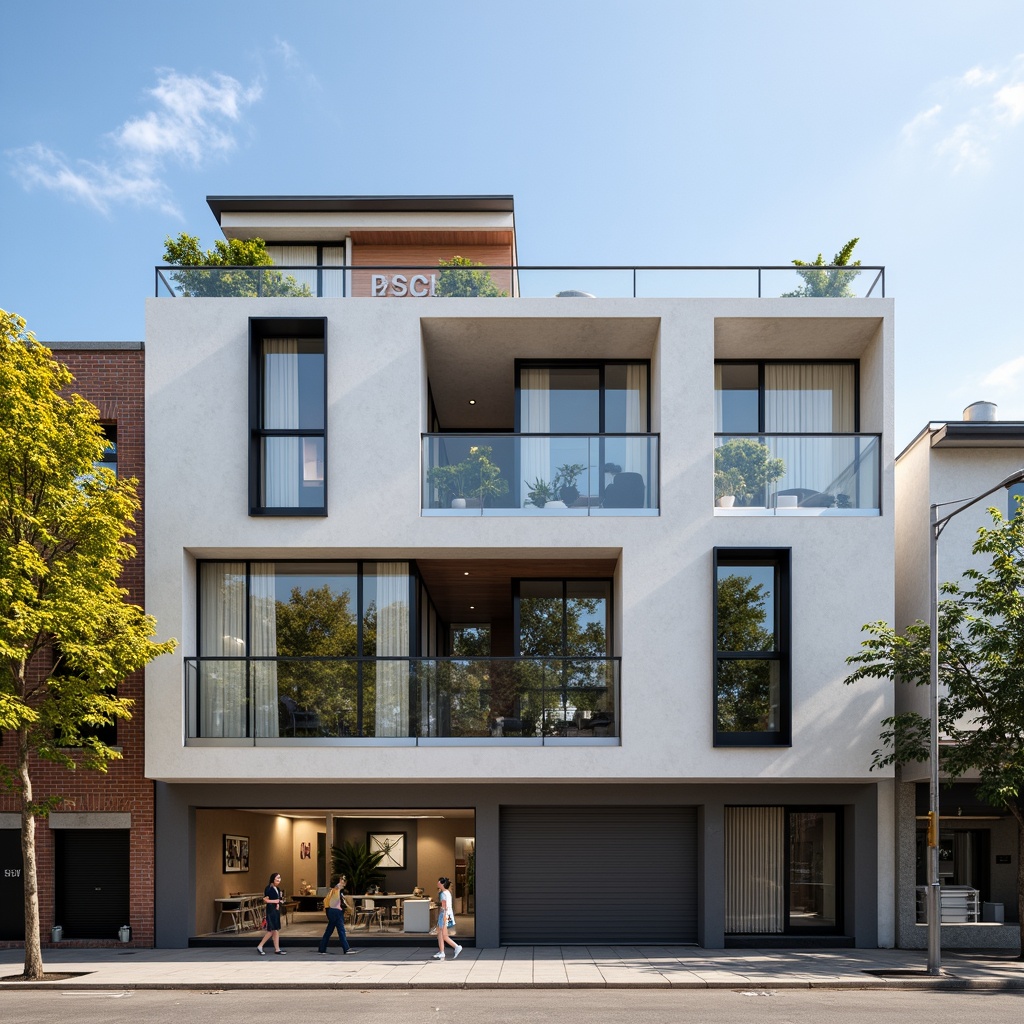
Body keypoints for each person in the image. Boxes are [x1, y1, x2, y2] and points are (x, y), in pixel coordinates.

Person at [319, 873, 360, 955]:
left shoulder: (335, 891)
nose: (343, 882)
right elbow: (340, 884)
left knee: (329, 931)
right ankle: (346, 948)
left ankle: (322, 949)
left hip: (333, 911)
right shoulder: (336, 889)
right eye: (341, 880)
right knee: (341, 930)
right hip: (336, 912)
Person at [432, 876, 462, 960]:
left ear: (442, 884)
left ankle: (456, 947)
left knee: (443, 935)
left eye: (439, 882)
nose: (437, 883)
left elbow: (444, 906)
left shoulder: (443, 894)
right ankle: (441, 951)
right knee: (440, 933)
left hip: (444, 915)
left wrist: (443, 917)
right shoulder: (447, 892)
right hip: (446, 914)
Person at [256, 872, 287, 955]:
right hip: (270, 910)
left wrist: (279, 902)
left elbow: (278, 899)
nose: (279, 880)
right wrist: (275, 901)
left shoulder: (278, 888)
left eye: (280, 878)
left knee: (276, 930)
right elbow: (265, 900)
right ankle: (260, 945)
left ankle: (277, 949)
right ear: (273, 879)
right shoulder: (268, 888)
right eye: (277, 878)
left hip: (276, 910)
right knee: (272, 930)